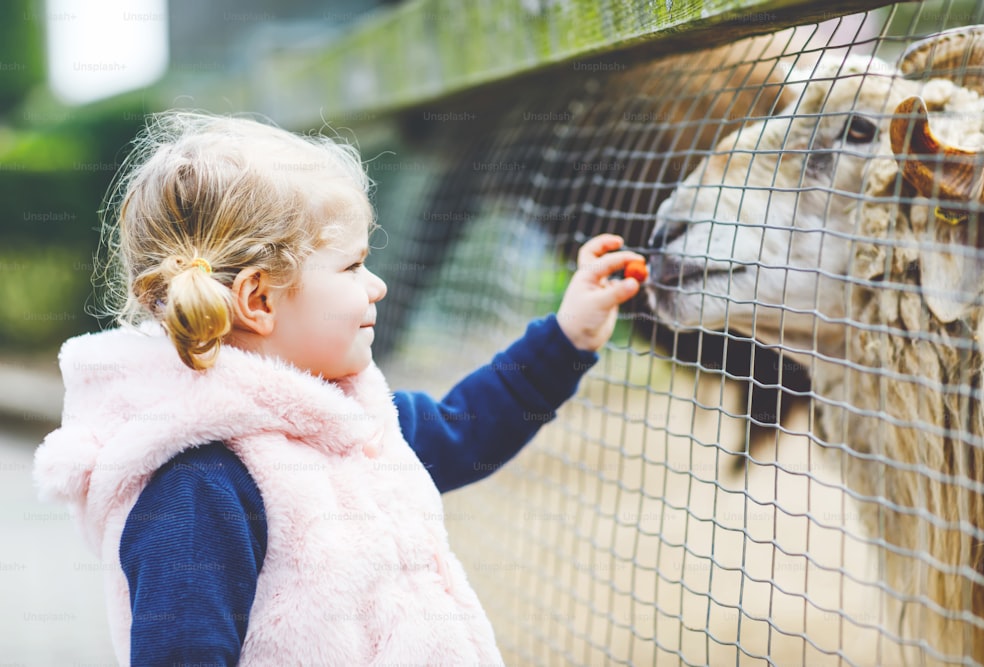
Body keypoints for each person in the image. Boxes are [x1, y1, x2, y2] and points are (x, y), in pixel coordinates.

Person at [33, 111, 645, 665]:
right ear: (258, 300)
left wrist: (568, 337)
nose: (375, 285)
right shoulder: (200, 484)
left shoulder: (354, 419)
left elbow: (468, 426)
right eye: (352, 266)